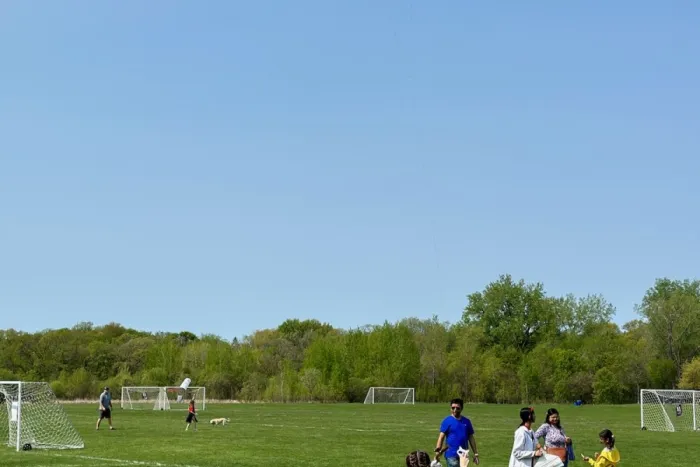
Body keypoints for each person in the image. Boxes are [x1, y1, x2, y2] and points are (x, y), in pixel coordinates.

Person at [434, 398, 479, 467]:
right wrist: (438, 451)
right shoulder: (447, 421)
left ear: (461, 408)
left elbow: (471, 437)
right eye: (453, 408)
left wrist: (475, 453)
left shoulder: (467, 421)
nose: (455, 410)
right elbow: (441, 437)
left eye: (457, 408)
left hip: (464, 454)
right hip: (451, 455)